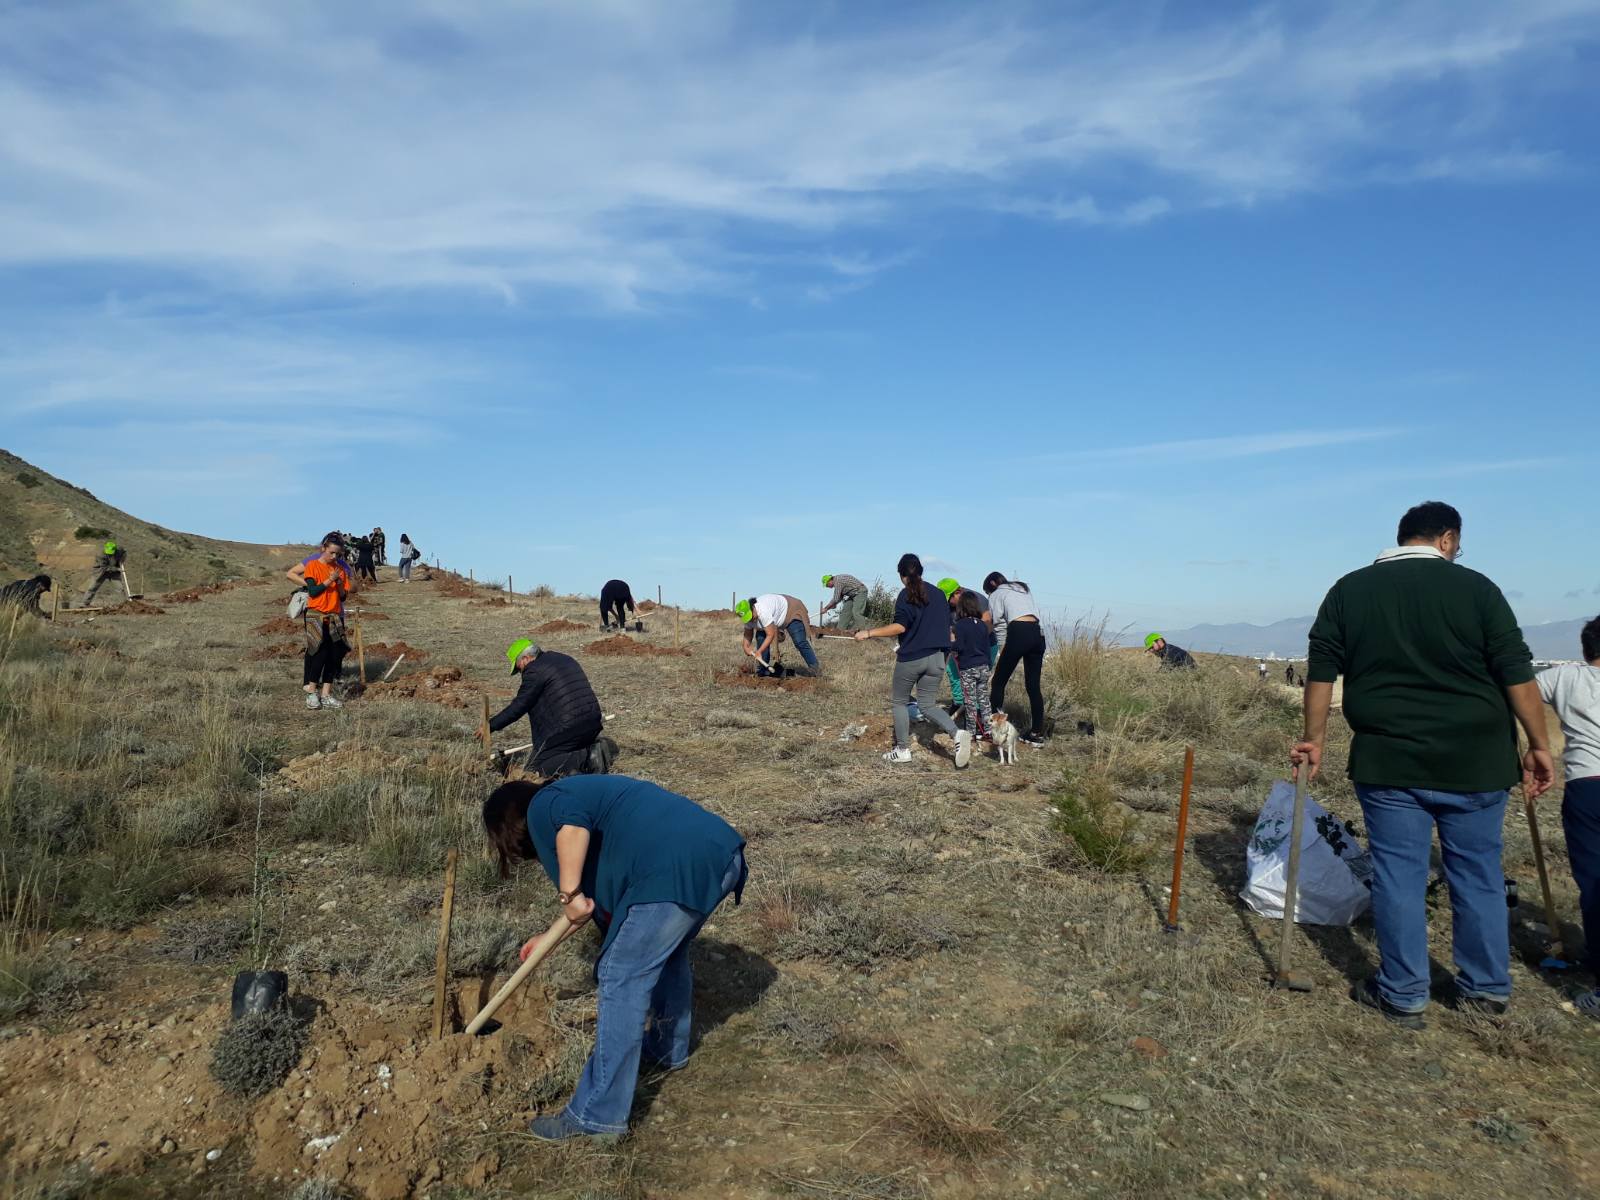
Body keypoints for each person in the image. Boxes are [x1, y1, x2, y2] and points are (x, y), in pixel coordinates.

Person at [1292, 501, 1554, 1028]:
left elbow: (1321, 671)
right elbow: (1515, 672)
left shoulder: (1350, 589)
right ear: (1448, 539)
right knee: (1478, 872)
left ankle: (1404, 994)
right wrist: (1538, 743)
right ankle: (1485, 990)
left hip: (1389, 759)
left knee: (1398, 876)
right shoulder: (1478, 589)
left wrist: (1312, 739)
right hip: (1477, 759)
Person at [482, 774, 746, 1140]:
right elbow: (588, 907)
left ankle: (596, 1117)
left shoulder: (547, 802)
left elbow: (571, 827)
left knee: (621, 975)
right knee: (664, 957)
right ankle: (668, 1049)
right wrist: (551, 931)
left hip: (673, 867)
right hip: (717, 855)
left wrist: (569, 892)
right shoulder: (592, 808)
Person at [1536, 615, 1600, 1019]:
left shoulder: (1564, 677)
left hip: (1588, 785)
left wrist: (1532, 748)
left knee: (1594, 882)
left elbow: (1516, 693)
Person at [855, 553, 970, 767]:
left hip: (912, 658)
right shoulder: (937, 594)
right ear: (921, 571)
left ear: (901, 575)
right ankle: (956, 734)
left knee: (899, 702)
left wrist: (868, 633)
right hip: (938, 658)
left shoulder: (905, 594)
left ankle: (902, 750)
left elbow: (900, 626)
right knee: (927, 705)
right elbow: (946, 628)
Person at [489, 638, 611, 777]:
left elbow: (519, 705)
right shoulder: (563, 658)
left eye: (518, 668)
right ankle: (591, 748)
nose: (520, 672)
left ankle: (587, 759)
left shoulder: (534, 671)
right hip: (593, 721)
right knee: (557, 753)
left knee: (536, 769)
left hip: (569, 727)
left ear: (525, 658)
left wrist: (490, 725)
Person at [286, 533, 351, 710]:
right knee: (318, 652)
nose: (335, 557)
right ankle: (311, 692)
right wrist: (329, 580)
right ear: (323, 548)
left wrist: (338, 583)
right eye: (332, 553)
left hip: (334, 615)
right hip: (316, 613)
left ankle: (326, 694)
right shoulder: (313, 566)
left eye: (338, 554)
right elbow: (313, 591)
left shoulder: (341, 570)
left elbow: (344, 596)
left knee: (334, 654)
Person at [983, 572, 1047, 746]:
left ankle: (994, 730)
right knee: (1033, 687)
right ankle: (1037, 734)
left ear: (992, 583)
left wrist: (1002, 650)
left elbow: (999, 624)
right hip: (1038, 634)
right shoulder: (1021, 588)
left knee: (998, 682)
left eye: (988, 591)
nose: (989, 595)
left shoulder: (997, 594)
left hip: (1019, 633)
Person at [738, 593, 819, 676]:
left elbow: (770, 635)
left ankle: (814, 667)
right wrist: (745, 646)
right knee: (760, 637)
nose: (750, 620)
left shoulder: (763, 611)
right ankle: (764, 669)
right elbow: (748, 635)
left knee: (799, 641)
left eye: (750, 616)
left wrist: (759, 651)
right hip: (773, 618)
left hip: (791, 610)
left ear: (753, 608)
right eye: (747, 618)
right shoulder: (748, 618)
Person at [952, 591, 994, 743]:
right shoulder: (983, 626)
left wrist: (951, 644)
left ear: (960, 607)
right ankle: (989, 730)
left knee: (970, 702)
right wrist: (988, 665)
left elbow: (959, 646)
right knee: (984, 700)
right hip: (983, 666)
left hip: (968, 668)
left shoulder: (960, 626)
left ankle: (971, 732)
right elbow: (987, 647)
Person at [76, 540, 129, 609]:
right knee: (92, 588)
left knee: (120, 588)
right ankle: (85, 603)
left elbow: (124, 552)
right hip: (101, 571)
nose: (110, 554)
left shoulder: (119, 550)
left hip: (113, 573)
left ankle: (125, 603)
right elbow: (104, 567)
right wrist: (117, 569)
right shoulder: (100, 555)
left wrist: (122, 560)